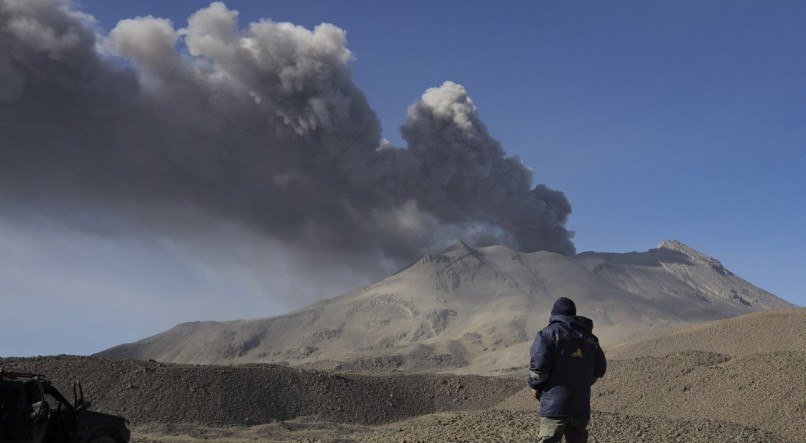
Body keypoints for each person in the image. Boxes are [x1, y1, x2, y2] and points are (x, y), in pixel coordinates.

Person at [528, 297, 606, 443]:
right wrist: (585, 382)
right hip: (580, 407)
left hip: (554, 406)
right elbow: (600, 368)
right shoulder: (590, 338)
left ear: (554, 314)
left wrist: (535, 386)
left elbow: (538, 368)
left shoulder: (547, 334)